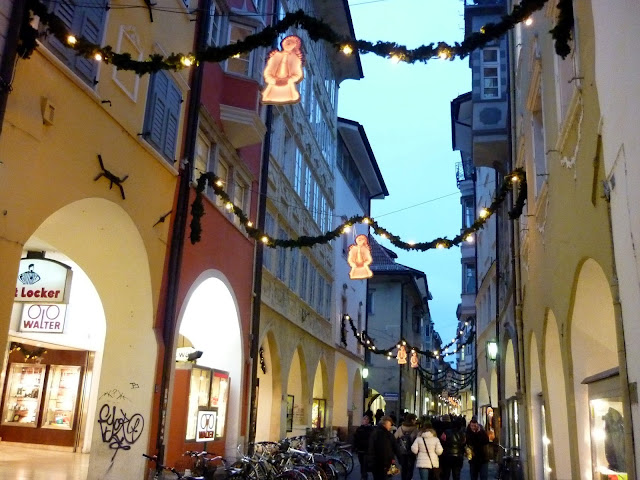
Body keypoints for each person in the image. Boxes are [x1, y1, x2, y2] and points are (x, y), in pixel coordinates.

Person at [261, 35, 304, 105]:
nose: (288, 43)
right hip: (273, 85)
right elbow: (268, 71)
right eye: (287, 41)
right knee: (268, 96)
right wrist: (273, 80)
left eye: (292, 42)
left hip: (287, 88)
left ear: (295, 46)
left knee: (290, 96)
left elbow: (297, 74)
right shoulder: (276, 56)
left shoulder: (295, 58)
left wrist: (288, 80)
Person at [367, 416, 401, 480]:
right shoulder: (389, 435)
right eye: (390, 425)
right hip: (388, 463)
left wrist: (370, 462)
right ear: (385, 424)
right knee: (388, 477)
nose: (390, 427)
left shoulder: (374, 433)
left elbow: (371, 449)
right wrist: (400, 460)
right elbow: (396, 448)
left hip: (377, 463)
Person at [438, 415, 465, 480]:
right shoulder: (462, 433)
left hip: (447, 455)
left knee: (446, 474)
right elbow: (463, 443)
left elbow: (442, 441)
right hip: (458, 456)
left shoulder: (446, 432)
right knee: (456, 475)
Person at [395, 413, 419, 480]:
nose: (415, 421)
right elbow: (418, 439)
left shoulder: (401, 428)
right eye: (415, 419)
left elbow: (394, 438)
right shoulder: (415, 429)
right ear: (412, 420)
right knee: (410, 468)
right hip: (411, 452)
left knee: (404, 467)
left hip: (402, 451)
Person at [353, 415, 374, 480]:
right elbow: (355, 439)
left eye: (367, 419)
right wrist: (355, 447)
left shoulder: (371, 429)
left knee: (365, 463)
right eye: (364, 419)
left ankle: (364, 476)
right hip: (360, 449)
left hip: (367, 450)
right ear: (362, 420)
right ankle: (363, 474)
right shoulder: (359, 429)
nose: (365, 420)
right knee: (362, 463)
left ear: (369, 421)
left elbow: (373, 439)